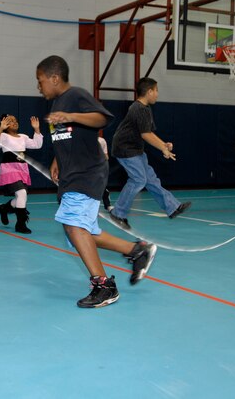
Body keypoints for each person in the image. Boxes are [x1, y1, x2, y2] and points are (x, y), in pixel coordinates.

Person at [37, 55, 157, 309]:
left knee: (73, 225)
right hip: (71, 173)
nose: (39, 86)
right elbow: (64, 138)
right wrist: (57, 160)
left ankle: (104, 286)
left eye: (41, 81)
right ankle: (137, 250)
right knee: (85, 232)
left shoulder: (75, 96)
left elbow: (102, 118)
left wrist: (71, 115)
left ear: (55, 78)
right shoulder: (56, 104)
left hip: (87, 172)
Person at [109, 77, 191, 230]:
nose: (157, 94)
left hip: (135, 149)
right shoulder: (138, 108)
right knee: (139, 179)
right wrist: (163, 148)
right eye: (156, 91)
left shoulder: (145, 109)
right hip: (125, 149)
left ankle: (172, 207)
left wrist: (163, 144)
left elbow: (149, 133)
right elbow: (145, 134)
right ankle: (118, 213)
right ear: (149, 91)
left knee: (150, 179)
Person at [0, 114, 43, 234]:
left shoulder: (23, 137)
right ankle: (20, 224)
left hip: (22, 169)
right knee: (22, 193)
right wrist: (0, 129)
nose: (14, 122)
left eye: (15, 120)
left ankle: (4, 208)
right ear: (5, 124)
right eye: (10, 121)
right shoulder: (3, 136)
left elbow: (37, 145)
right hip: (9, 168)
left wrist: (36, 129)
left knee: (21, 196)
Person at [98, 135, 113, 211]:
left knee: (102, 188)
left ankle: (107, 205)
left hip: (98, 168)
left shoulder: (102, 141)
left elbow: (106, 156)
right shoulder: (81, 140)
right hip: (85, 169)